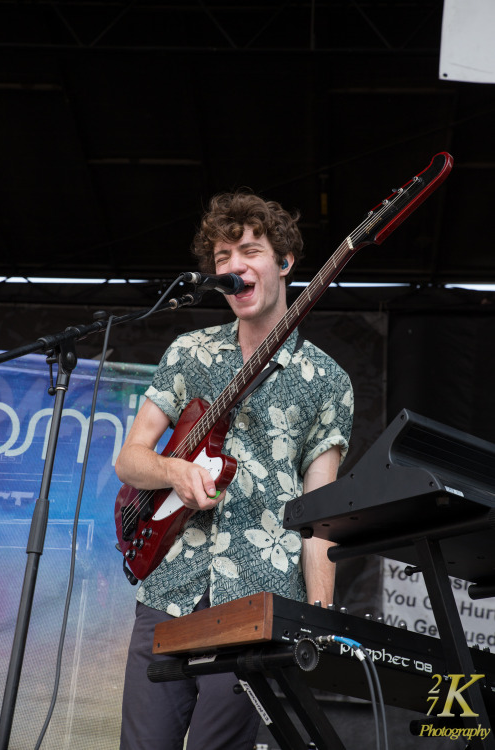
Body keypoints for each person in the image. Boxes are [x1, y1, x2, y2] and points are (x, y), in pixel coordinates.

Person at [115, 191, 354, 750]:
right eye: (222, 257)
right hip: (170, 587)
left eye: (249, 250)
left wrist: (318, 615)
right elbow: (129, 458)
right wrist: (173, 473)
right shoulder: (189, 352)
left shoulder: (327, 379)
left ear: (285, 262)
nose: (232, 267)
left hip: (258, 598)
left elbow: (320, 515)